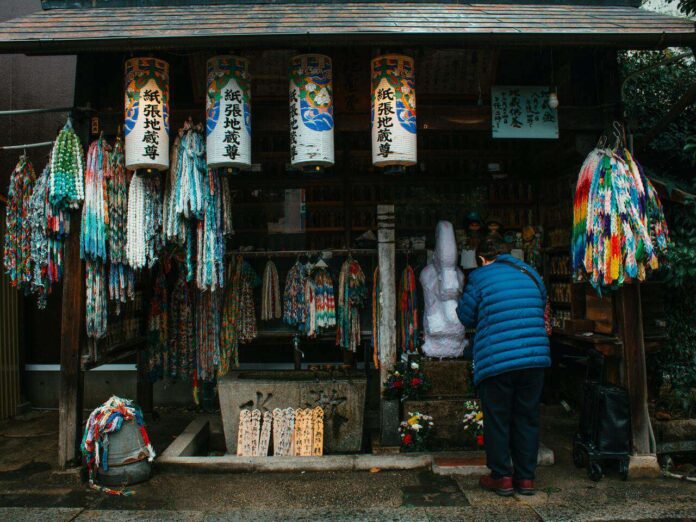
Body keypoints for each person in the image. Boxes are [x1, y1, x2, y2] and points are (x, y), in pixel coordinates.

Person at [456, 234, 551, 497]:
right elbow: (540, 305)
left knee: (498, 419)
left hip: (497, 360)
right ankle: (526, 479)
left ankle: (502, 477)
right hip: (534, 359)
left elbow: (465, 316)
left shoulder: (479, 277)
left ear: (483, 259)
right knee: (527, 417)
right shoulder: (531, 274)